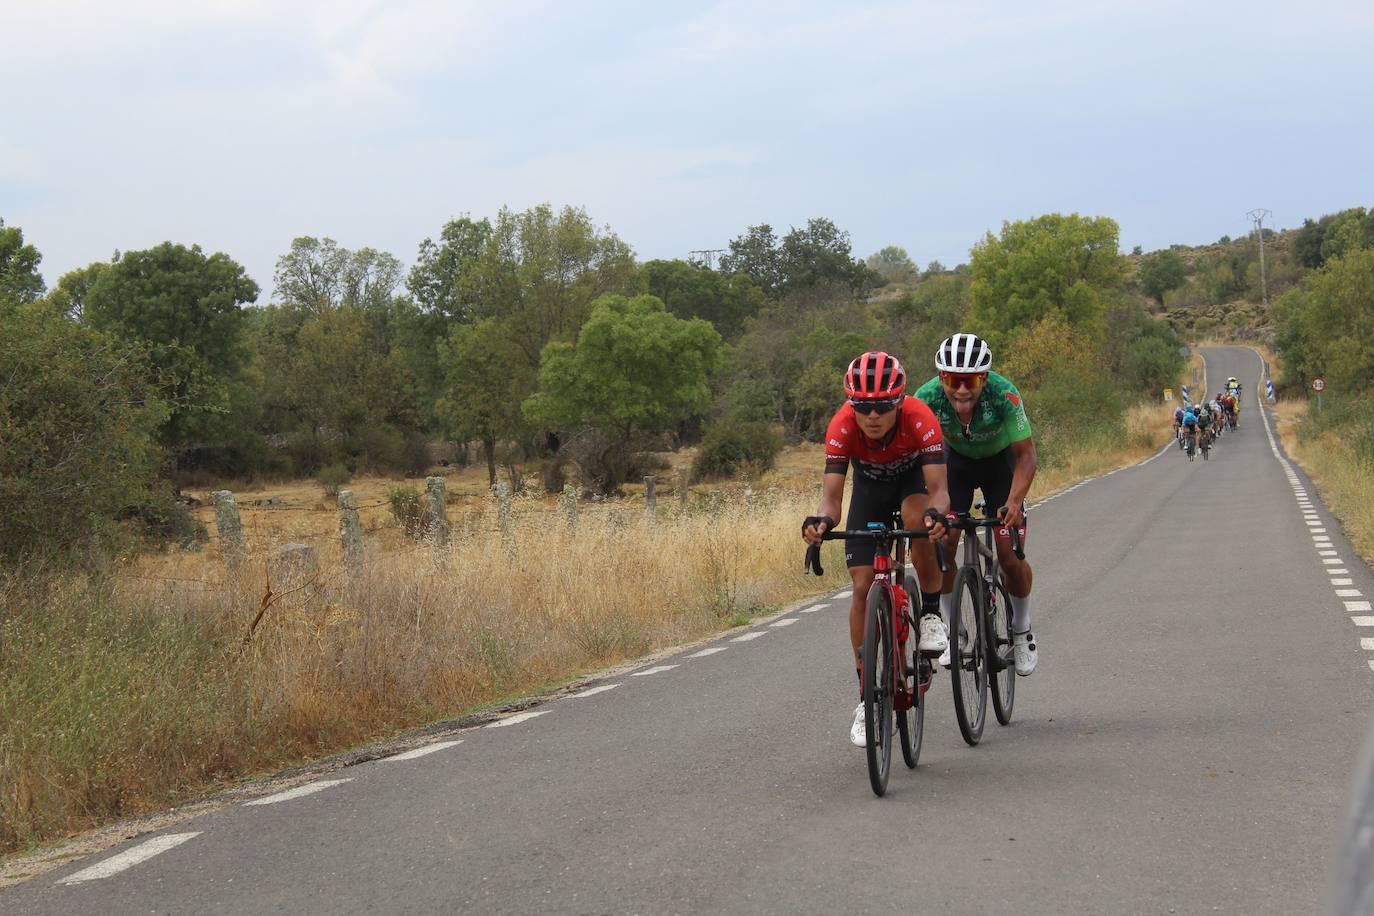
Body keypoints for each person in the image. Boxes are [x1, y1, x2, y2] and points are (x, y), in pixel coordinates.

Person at [802, 351, 951, 748]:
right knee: (863, 586)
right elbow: (831, 498)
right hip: (869, 492)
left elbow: (939, 489)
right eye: (862, 406)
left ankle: (932, 612)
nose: (872, 415)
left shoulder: (921, 418)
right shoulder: (841, 426)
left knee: (918, 520)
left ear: (899, 401)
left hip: (914, 486)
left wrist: (939, 515)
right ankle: (867, 697)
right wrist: (820, 523)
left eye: (882, 406)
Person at [915, 333, 1039, 676]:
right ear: (942, 378)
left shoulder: (1004, 394)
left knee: (1010, 556)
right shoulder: (925, 398)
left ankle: (1022, 628)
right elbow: (913, 454)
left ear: (983, 378)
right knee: (944, 543)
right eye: (953, 381)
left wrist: (1014, 501)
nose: (961, 389)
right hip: (955, 466)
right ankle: (955, 630)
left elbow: (1026, 456)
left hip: (1002, 466)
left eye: (969, 381)